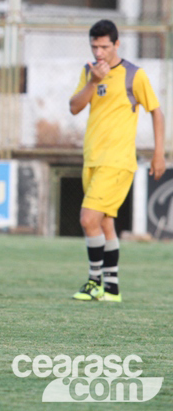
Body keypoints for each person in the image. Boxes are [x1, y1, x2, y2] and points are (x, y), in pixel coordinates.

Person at [69, 19, 165, 303]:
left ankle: (93, 281)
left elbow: (156, 112)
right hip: (92, 159)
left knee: (88, 219)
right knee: (105, 223)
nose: (99, 52)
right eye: (94, 46)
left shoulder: (134, 74)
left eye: (104, 46)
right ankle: (111, 287)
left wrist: (159, 153)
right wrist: (94, 81)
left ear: (116, 44)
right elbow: (74, 107)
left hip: (118, 161)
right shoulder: (89, 72)